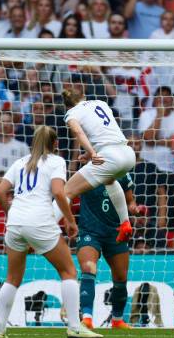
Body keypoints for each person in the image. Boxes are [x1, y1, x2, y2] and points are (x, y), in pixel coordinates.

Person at [0, 125, 101, 338]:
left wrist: (11, 213)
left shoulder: (19, 162)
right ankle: (74, 326)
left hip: (15, 223)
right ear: (55, 144)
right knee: (69, 271)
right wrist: (70, 221)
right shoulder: (56, 161)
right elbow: (59, 192)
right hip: (40, 221)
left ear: (33, 143)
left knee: (12, 278)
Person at [53, 90, 136, 243]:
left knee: (66, 192)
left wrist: (91, 152)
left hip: (109, 156)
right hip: (128, 154)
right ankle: (125, 223)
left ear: (67, 106)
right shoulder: (101, 103)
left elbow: (78, 132)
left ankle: (44, 231)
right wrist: (92, 152)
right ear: (83, 97)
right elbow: (104, 131)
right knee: (109, 180)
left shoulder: (71, 113)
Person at [77, 171, 138, 330]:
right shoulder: (86, 172)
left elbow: (130, 200)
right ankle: (87, 318)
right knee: (88, 268)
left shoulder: (122, 173)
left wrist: (133, 207)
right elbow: (69, 191)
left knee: (120, 276)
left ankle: (117, 320)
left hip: (115, 232)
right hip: (90, 231)